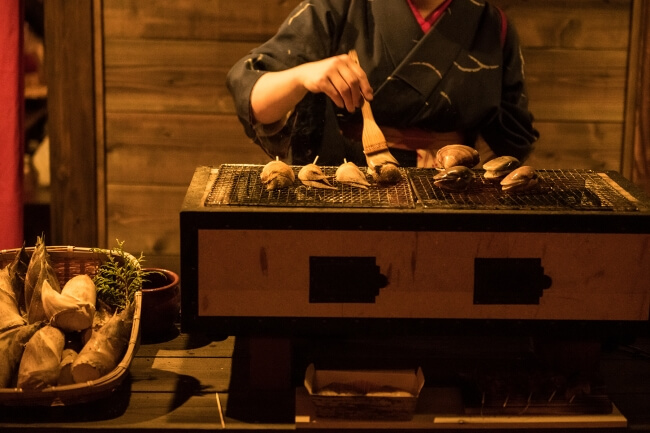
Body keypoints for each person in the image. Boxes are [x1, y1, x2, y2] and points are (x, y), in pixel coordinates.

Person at [226, 0, 539, 168]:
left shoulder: (492, 26)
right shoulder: (336, 7)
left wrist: (461, 167)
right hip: (345, 185)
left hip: (453, 192)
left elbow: (511, 140)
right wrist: (302, 75)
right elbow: (256, 101)